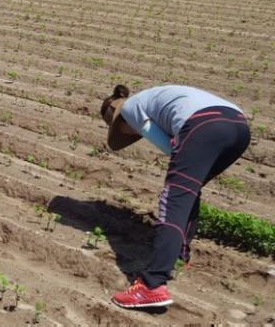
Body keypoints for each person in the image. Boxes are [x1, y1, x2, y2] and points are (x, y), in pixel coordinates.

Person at [101, 84, 251, 309]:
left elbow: (170, 149)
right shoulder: (149, 98)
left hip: (205, 126)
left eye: (120, 129)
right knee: (188, 191)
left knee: (174, 200)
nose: (129, 134)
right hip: (238, 126)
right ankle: (180, 254)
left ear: (119, 119)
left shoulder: (130, 108)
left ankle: (151, 285)